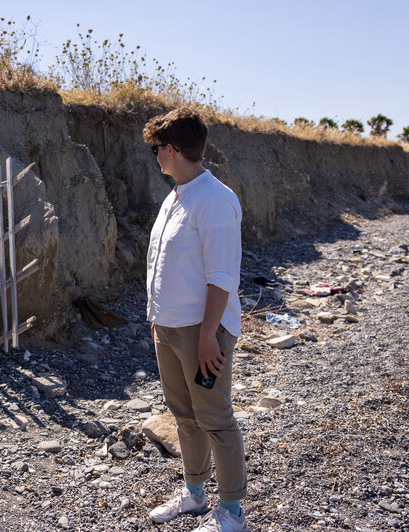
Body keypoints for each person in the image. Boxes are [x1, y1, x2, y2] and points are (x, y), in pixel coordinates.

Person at [143, 107, 247, 532]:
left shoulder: (215, 199)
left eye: (156, 149)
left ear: (172, 148)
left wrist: (208, 337)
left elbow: (221, 277)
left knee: (216, 418)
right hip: (168, 328)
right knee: (183, 415)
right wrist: (157, 319)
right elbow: (164, 265)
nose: (155, 157)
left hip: (202, 330)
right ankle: (195, 492)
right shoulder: (175, 196)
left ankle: (233, 512)